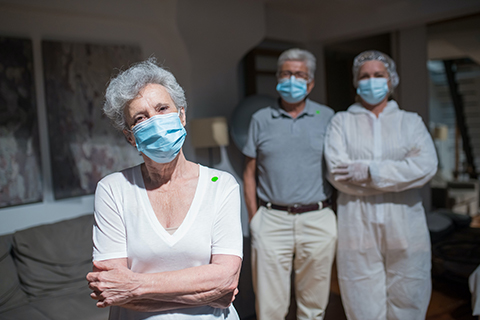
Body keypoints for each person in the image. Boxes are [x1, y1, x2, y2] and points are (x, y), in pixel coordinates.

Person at [86, 58, 243, 320]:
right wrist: (208, 292)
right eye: (140, 117)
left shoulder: (222, 185)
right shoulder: (112, 190)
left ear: (181, 115)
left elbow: (226, 280)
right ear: (130, 136)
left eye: (162, 109)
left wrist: (134, 286)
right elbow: (111, 290)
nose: (155, 122)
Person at [324, 50, 438, 320]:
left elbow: (426, 167)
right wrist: (399, 177)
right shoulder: (341, 122)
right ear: (356, 81)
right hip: (356, 223)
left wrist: (369, 171)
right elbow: (338, 175)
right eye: (365, 76)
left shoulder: (410, 122)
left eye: (378, 75)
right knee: (360, 296)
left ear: (391, 80)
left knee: (410, 291)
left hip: (406, 224)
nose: (371, 81)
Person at [242, 48, 337, 320]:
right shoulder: (260, 118)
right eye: (287, 73)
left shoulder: (328, 117)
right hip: (271, 219)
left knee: (314, 305)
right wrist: (254, 218)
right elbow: (249, 171)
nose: (292, 80)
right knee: (270, 308)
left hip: (318, 218)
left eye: (299, 74)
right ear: (277, 78)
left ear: (311, 82)